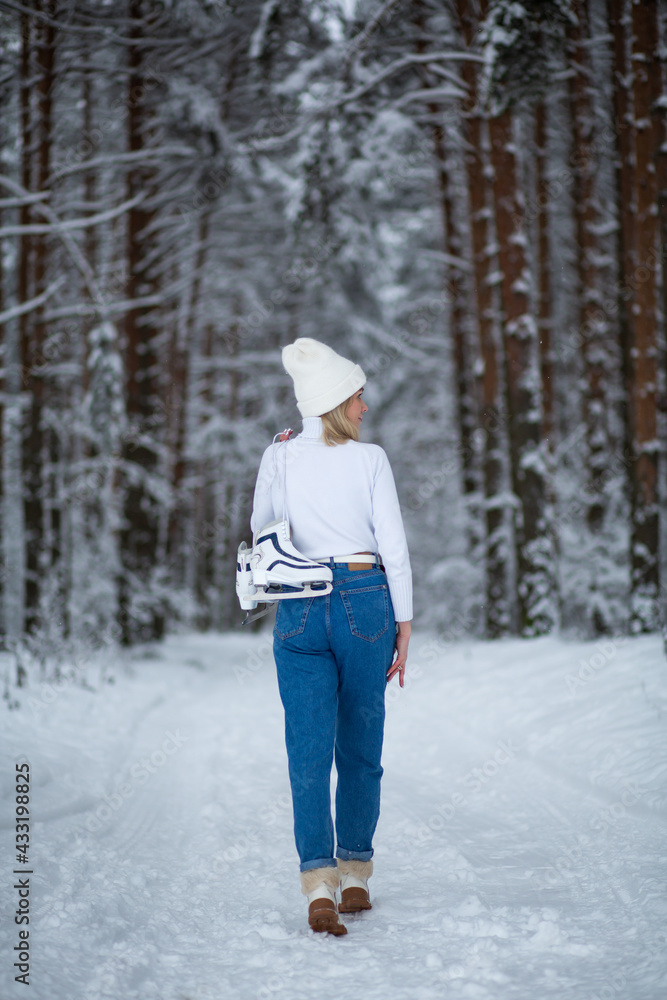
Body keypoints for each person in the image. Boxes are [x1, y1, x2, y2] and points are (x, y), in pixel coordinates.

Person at [250, 337, 413, 936]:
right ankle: (355, 877)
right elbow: (392, 546)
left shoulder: (280, 455)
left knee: (308, 752)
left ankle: (317, 883)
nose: (365, 408)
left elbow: (261, 528)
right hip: (365, 599)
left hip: (297, 606)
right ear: (337, 402)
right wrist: (405, 622)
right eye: (358, 396)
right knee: (361, 748)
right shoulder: (370, 459)